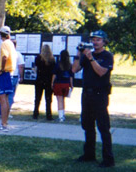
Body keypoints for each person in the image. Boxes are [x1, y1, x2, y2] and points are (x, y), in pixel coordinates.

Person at [72, 30, 115, 168]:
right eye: (93, 39)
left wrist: (91, 58)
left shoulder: (107, 56)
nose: (95, 42)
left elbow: (102, 72)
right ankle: (89, 154)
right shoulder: (86, 55)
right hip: (86, 94)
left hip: (100, 94)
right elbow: (74, 69)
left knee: (103, 127)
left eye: (98, 40)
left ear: (104, 42)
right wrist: (79, 54)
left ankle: (108, 159)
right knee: (87, 125)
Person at [0, 26, 16, 132]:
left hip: (4, 73)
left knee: (2, 100)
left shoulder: (4, 44)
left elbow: (4, 57)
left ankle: (3, 124)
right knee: (6, 99)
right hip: (10, 72)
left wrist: (1, 69)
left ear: (1, 34)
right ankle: (5, 123)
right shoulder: (11, 43)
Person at [0, 38, 24, 118]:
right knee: (10, 96)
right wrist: (21, 76)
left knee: (2, 94)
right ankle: (6, 113)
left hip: (5, 74)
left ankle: (0, 111)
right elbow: (21, 66)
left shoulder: (4, 53)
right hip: (14, 76)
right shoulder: (18, 54)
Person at [33, 44, 55, 120]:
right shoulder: (52, 59)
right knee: (48, 99)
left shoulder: (38, 58)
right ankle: (49, 114)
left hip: (39, 79)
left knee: (37, 98)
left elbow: (35, 68)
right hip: (48, 80)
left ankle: (35, 113)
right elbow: (53, 72)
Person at [52, 50, 73, 122]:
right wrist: (71, 85)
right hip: (66, 84)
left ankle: (60, 117)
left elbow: (54, 75)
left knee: (59, 100)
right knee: (63, 100)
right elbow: (71, 76)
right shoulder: (70, 65)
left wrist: (52, 83)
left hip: (58, 83)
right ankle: (63, 115)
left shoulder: (58, 64)